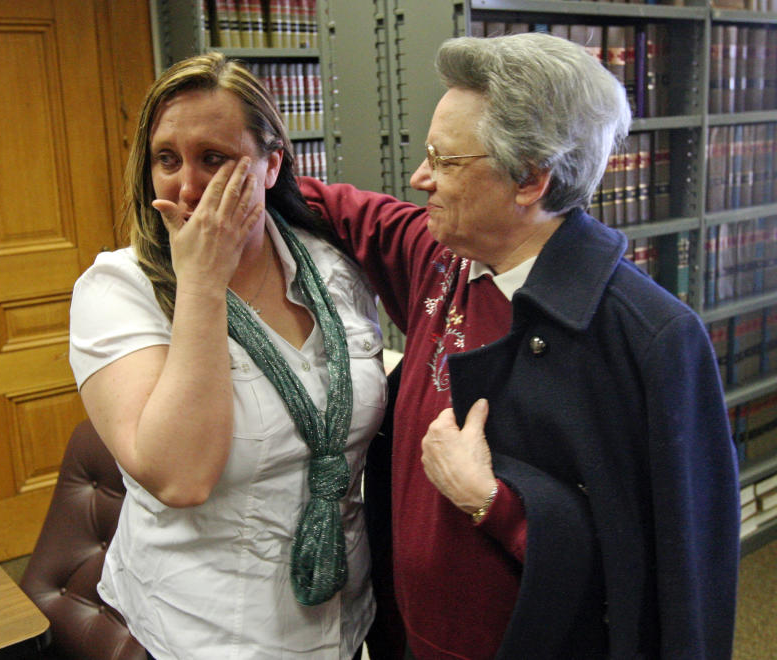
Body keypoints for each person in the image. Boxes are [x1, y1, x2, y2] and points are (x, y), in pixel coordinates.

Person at [299, 32, 740, 659]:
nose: (419, 176)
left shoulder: (649, 338)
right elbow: (346, 212)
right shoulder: (442, 257)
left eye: (446, 161)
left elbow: (678, 573)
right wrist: (247, 162)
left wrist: (490, 502)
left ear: (532, 179)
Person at [68, 52, 388, 659]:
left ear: (271, 165)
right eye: (168, 159)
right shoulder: (118, 290)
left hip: (346, 617)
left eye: (213, 158)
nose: (188, 186)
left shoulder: (331, 267)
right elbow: (180, 477)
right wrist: (202, 286)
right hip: (209, 632)